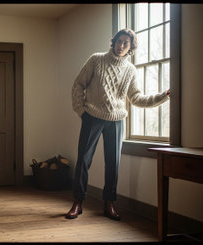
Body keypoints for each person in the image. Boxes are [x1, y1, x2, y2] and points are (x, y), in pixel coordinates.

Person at [66, 29, 170, 221]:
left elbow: (136, 97)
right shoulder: (96, 60)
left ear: (131, 48)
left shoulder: (130, 70)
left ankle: (109, 203)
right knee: (83, 161)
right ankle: (78, 202)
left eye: (126, 44)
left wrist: (163, 96)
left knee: (113, 164)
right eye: (119, 41)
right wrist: (81, 111)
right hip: (92, 117)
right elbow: (78, 85)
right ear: (113, 41)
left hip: (117, 121)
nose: (121, 46)